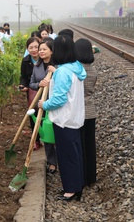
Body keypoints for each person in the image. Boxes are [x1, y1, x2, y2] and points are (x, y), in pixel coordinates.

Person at [38, 35, 86, 201]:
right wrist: (56, 72)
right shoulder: (76, 67)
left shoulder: (63, 72)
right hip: (75, 118)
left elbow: (59, 99)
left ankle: (71, 190)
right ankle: (77, 185)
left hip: (64, 119)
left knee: (66, 156)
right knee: (75, 153)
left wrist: (44, 104)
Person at [29, 38, 57, 173]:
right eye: (40, 49)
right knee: (46, 133)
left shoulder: (58, 66)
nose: (41, 51)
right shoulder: (37, 67)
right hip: (42, 103)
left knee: (58, 132)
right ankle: (52, 162)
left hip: (57, 104)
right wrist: (39, 84)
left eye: (44, 49)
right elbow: (31, 83)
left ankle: (62, 159)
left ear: (52, 51)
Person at [75, 38, 98, 187]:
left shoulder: (77, 70)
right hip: (90, 110)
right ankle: (91, 176)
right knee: (90, 145)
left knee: (80, 146)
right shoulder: (92, 69)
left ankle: (81, 177)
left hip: (78, 111)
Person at [20, 36, 42, 150]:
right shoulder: (26, 61)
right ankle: (36, 140)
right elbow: (23, 77)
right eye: (31, 48)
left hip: (45, 89)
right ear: (27, 49)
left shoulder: (45, 59)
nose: (34, 50)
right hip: (32, 90)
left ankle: (47, 137)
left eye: (36, 47)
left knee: (45, 114)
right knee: (33, 114)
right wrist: (22, 85)